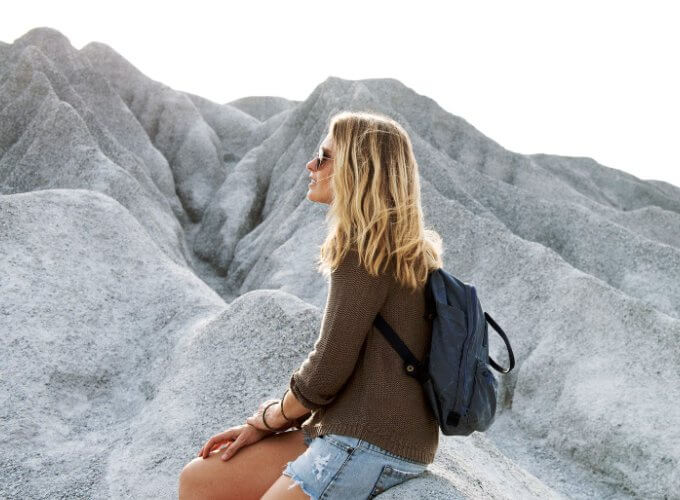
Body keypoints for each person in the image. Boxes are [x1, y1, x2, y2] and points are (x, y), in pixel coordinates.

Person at [179, 111, 443, 499]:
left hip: (369, 442)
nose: (311, 165)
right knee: (199, 479)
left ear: (358, 169)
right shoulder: (404, 249)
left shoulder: (364, 251)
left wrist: (268, 418)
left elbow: (328, 367)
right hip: (361, 431)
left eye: (324, 157)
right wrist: (274, 422)